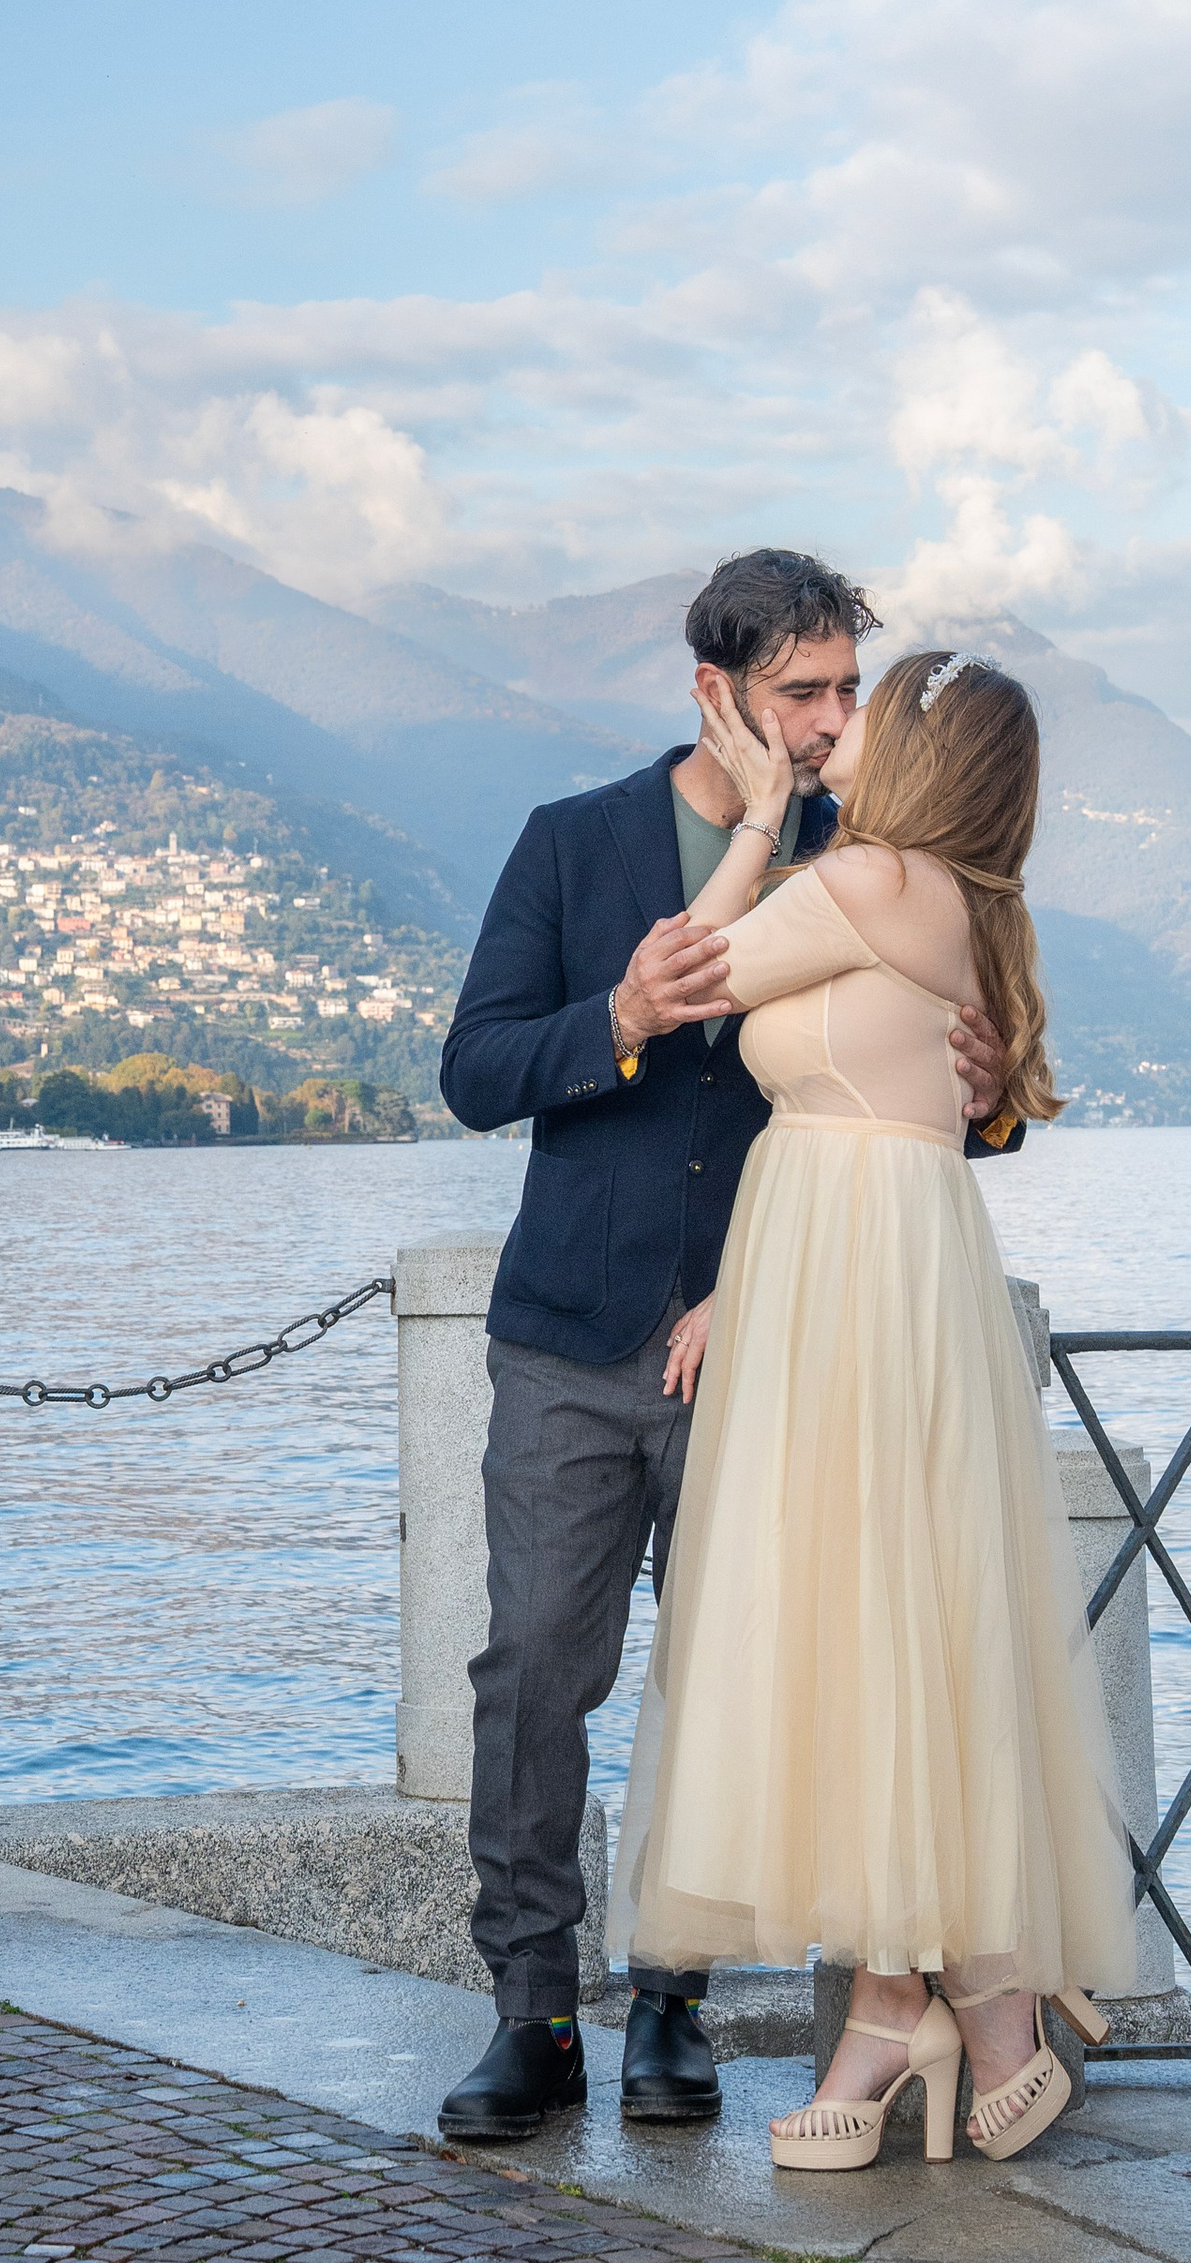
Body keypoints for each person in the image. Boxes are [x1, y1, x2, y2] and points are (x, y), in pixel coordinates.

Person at [434, 551, 1015, 2144]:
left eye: (847, 690)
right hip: (569, 1335)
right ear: (717, 691)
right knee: (532, 1676)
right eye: (800, 692)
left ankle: (672, 2012)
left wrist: (987, 1095)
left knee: (740, 1676)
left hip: (781, 1347)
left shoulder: (874, 857)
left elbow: (945, 1104)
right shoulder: (573, 841)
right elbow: (475, 1071)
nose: (830, 721)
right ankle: (532, 2016)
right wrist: (620, 1015)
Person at [615, 646, 1136, 2168]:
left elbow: (689, 971)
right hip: (869, 1260)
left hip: (853, 1269)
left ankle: (928, 2007)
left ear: (916, 752)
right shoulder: (958, 902)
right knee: (899, 1625)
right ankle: (957, 1998)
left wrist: (755, 819)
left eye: (872, 708)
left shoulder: (865, 881)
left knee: (857, 1618)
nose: (841, 727)